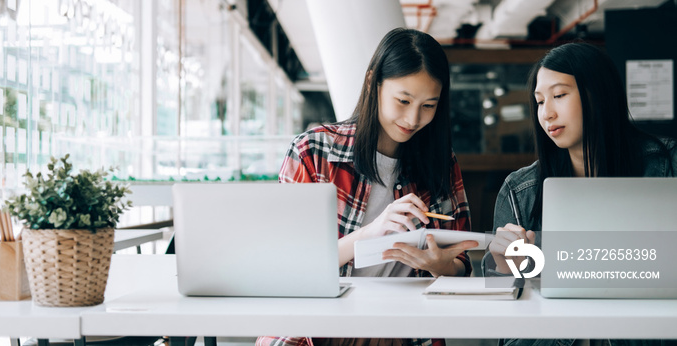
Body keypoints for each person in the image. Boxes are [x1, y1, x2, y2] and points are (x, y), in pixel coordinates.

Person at [257, 28, 478, 346]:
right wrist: (368, 234)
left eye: (428, 106)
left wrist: (442, 265)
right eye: (403, 100)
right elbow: (283, 266)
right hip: (314, 330)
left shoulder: (441, 162)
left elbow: (462, 263)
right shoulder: (312, 153)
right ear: (373, 83)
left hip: (402, 333)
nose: (413, 118)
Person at [483, 41, 677, 346]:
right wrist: (502, 269)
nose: (546, 113)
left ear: (598, 95)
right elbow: (506, 332)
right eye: (539, 101)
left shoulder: (669, 164)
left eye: (559, 95)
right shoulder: (520, 192)